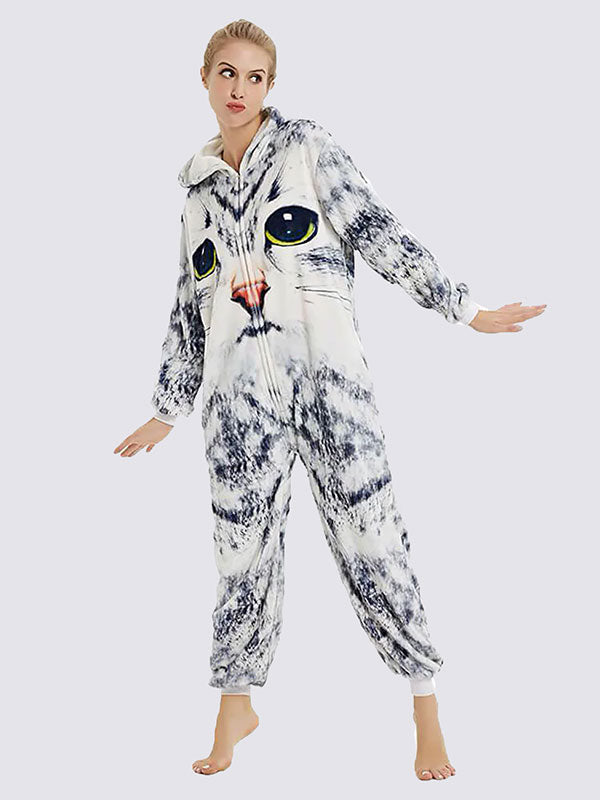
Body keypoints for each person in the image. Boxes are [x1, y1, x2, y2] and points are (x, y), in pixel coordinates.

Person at [113, 18, 546, 781]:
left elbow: (377, 232)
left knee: (373, 540)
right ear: (205, 79)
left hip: (328, 386)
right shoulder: (195, 197)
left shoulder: (308, 149)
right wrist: (168, 408)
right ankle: (235, 705)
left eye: (253, 76)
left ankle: (425, 706)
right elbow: (189, 308)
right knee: (239, 554)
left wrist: (463, 308)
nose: (239, 88)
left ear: (269, 87)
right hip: (237, 408)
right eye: (226, 72)